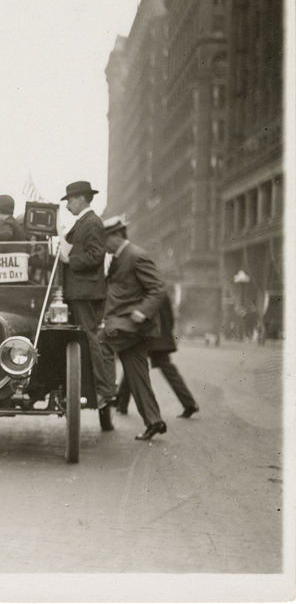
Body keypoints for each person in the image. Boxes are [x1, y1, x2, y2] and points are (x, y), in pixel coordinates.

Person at [98, 215, 167, 441]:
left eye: (106, 239)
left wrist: (143, 311)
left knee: (99, 340)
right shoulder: (120, 256)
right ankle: (154, 421)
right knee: (137, 377)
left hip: (131, 325)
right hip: (129, 327)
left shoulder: (136, 256)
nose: (103, 245)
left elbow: (157, 288)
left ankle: (108, 392)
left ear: (117, 237)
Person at [59, 180, 114, 428]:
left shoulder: (92, 222)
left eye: (69, 200)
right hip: (81, 291)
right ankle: (99, 389)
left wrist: (69, 260)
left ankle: (102, 390)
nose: (68, 204)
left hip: (85, 293)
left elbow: (95, 255)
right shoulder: (86, 222)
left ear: (81, 199)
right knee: (87, 339)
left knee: (90, 338)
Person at [117, 292, 199, 419]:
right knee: (168, 371)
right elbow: (170, 317)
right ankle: (189, 403)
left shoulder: (139, 292)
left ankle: (121, 404)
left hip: (145, 337)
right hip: (160, 338)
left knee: (132, 366)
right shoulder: (161, 292)